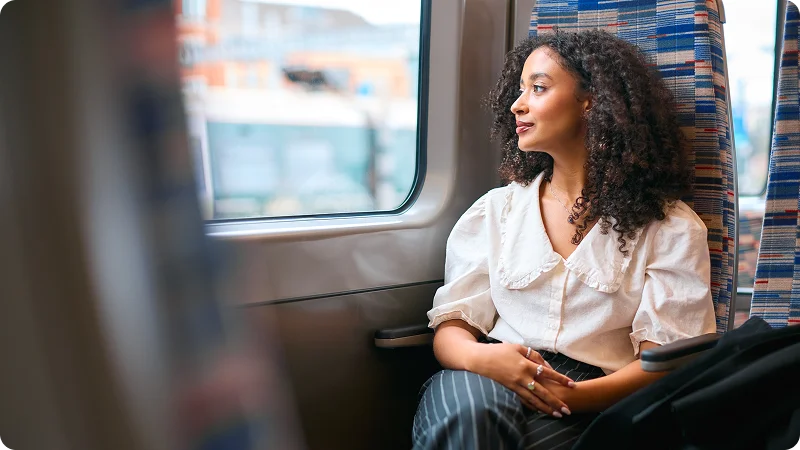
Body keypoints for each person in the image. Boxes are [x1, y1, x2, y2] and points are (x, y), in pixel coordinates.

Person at [411, 30, 717, 450]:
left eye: (537, 88)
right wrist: (482, 358)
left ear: (591, 100)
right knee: (469, 417)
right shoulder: (496, 210)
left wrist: (572, 395)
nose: (517, 105)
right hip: (489, 371)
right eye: (520, 90)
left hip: (600, 392)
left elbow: (662, 362)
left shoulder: (671, 228)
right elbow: (453, 327)